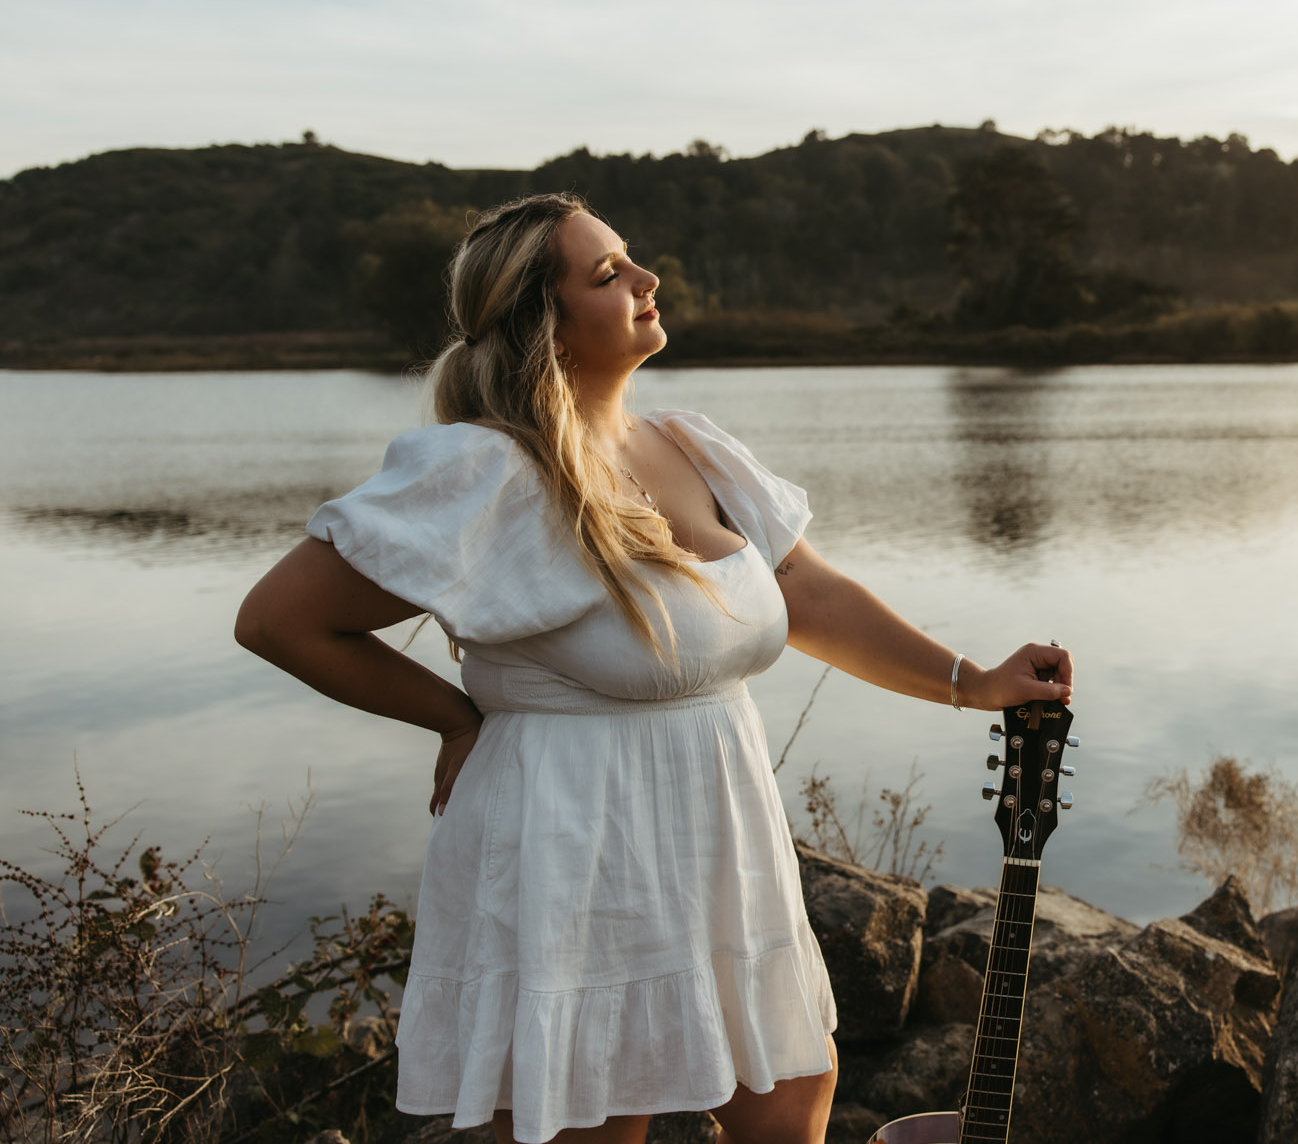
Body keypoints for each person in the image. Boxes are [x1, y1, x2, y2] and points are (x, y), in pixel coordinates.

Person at [234, 192, 1075, 1144]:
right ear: (542, 324)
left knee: (793, 1096)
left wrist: (973, 682)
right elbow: (281, 621)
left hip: (720, 832)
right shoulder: (487, 471)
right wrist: (456, 717)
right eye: (608, 273)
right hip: (570, 848)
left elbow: (807, 591)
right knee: (594, 1118)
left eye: (630, 260)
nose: (646, 278)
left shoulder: (689, 445)